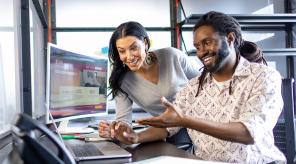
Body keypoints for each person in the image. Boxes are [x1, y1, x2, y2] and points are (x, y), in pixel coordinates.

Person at [110, 11, 286, 163]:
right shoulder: (193, 88)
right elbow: (169, 127)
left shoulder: (263, 76)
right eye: (197, 47)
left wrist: (185, 120)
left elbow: (249, 132)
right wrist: (135, 137)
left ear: (230, 38)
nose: (201, 52)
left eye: (207, 43)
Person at [98, 21, 200, 143]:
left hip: (201, 120)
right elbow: (123, 120)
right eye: (122, 51)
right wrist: (116, 130)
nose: (129, 56)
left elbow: (206, 81)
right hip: (168, 131)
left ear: (145, 43)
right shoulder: (121, 81)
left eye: (133, 48)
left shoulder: (172, 56)